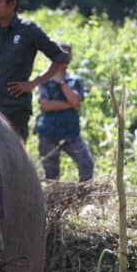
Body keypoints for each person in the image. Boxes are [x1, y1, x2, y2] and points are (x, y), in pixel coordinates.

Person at [0, 0, 68, 141]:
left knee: (15, 159)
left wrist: (33, 83)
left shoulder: (28, 30)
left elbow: (60, 59)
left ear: (12, 4)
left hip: (16, 109)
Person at [35, 43, 93, 182]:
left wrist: (61, 82)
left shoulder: (75, 80)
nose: (61, 58)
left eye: (65, 55)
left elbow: (77, 103)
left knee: (86, 164)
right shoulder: (43, 79)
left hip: (71, 133)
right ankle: (54, 202)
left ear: (71, 58)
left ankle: (83, 198)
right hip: (48, 134)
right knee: (51, 176)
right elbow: (45, 105)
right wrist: (70, 104)